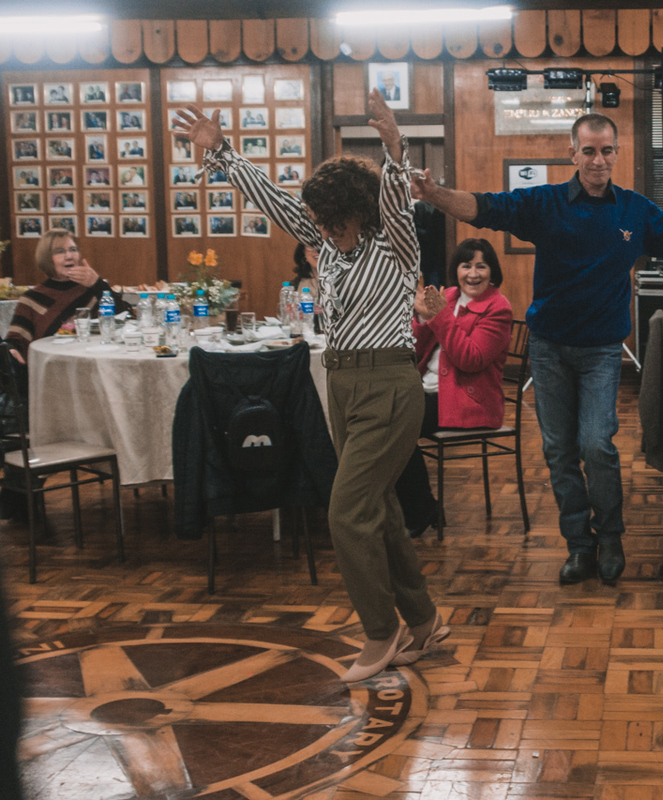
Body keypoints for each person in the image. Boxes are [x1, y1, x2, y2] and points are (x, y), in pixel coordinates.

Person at [411, 112, 663, 586]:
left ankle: (611, 538)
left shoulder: (635, 211)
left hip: (600, 351)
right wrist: (434, 194)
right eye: (589, 151)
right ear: (573, 154)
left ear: (616, 153)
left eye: (606, 150)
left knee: (596, 445)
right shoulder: (545, 204)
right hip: (550, 349)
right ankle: (580, 545)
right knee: (559, 452)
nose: (598, 160)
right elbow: (484, 208)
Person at [173, 88, 448, 683]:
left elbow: (395, 200)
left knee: (346, 513)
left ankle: (381, 631)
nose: (322, 228)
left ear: (358, 212)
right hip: (343, 384)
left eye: (332, 219)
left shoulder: (393, 242)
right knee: (378, 508)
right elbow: (274, 201)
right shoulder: (325, 240)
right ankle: (424, 620)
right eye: (318, 219)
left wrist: (394, 146)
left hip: (389, 384)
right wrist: (224, 151)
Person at [394, 238, 513, 535]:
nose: (473, 274)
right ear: (455, 270)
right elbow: (417, 348)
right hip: (428, 390)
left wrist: (438, 315)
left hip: (468, 401)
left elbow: (470, 359)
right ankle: (416, 508)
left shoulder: (498, 308)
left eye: (481, 266)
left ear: (492, 271)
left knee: (395, 429)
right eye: (466, 266)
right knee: (381, 419)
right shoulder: (447, 296)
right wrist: (421, 318)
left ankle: (419, 511)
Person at [3, 229, 128, 364]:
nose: (69, 256)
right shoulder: (32, 298)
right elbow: (15, 340)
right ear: (46, 257)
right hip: (50, 367)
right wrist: (11, 349)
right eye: (60, 251)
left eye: (73, 250)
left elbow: (123, 319)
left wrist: (98, 284)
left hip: (93, 364)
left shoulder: (92, 291)